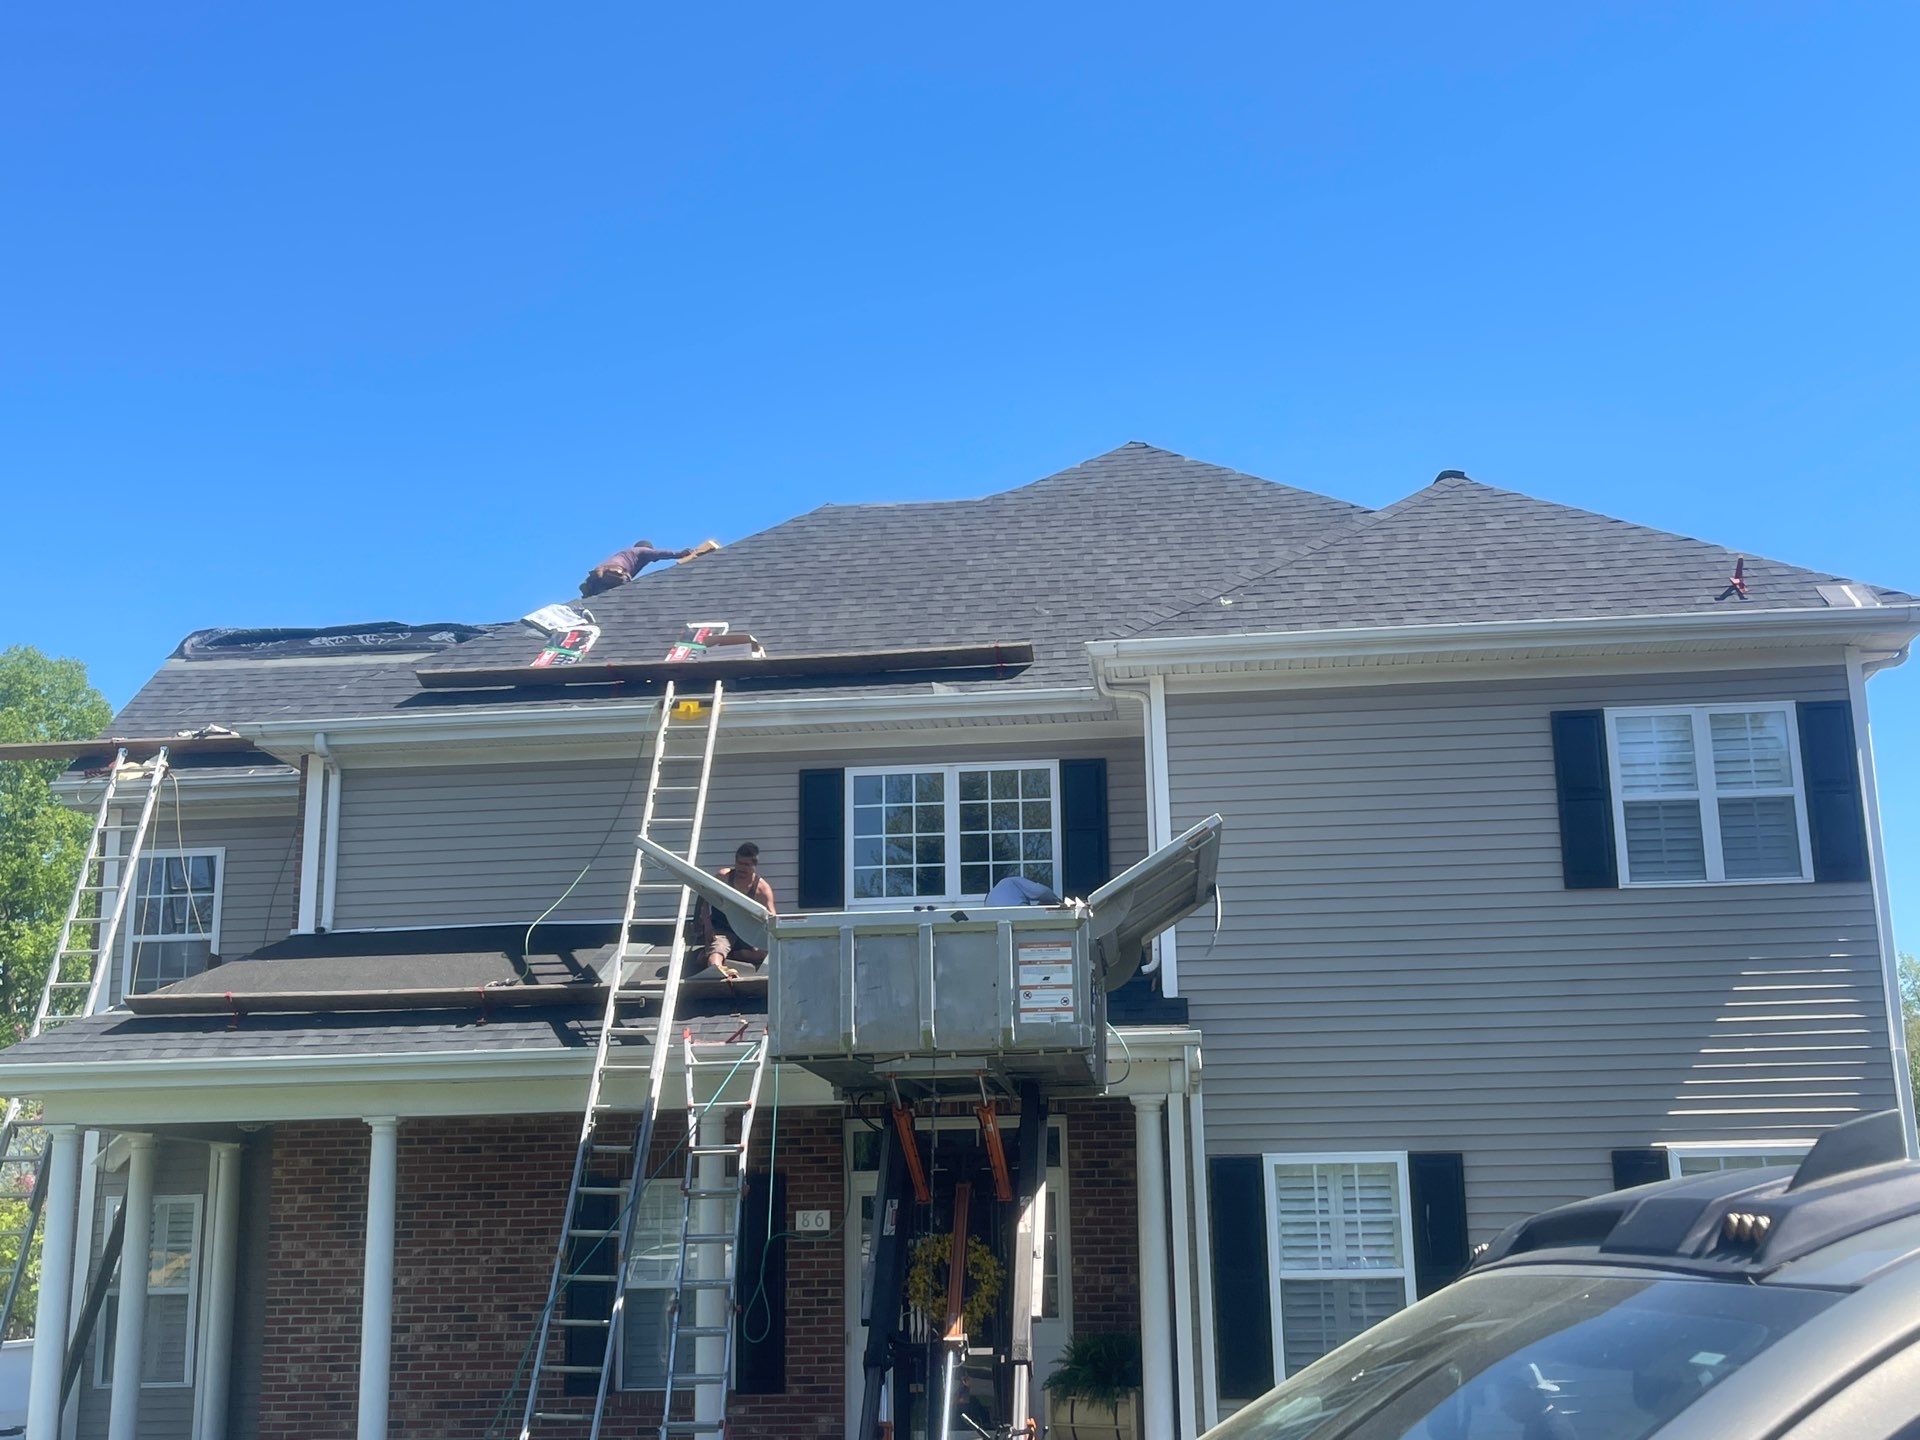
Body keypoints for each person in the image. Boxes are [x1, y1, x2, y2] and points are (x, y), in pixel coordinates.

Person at [691, 842, 777, 979]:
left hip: (746, 932)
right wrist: (707, 927)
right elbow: (704, 899)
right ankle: (715, 964)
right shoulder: (723, 877)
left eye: (746, 865)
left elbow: (772, 919)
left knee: (762, 955)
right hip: (722, 929)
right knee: (717, 952)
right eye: (739, 863)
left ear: (754, 865)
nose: (742, 868)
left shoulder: (762, 889)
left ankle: (712, 954)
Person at [579, 539, 709, 598]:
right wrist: (680, 554)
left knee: (599, 595)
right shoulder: (641, 551)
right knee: (626, 593)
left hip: (599, 574)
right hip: (615, 573)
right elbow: (659, 554)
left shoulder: (625, 553)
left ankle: (591, 592)